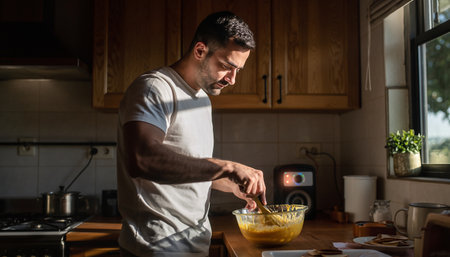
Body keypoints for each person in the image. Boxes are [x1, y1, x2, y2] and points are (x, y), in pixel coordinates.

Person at [117, 11, 267, 257]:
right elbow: (142, 160)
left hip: (192, 244)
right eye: (227, 66)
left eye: (238, 70)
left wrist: (230, 185)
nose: (232, 79)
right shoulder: (154, 88)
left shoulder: (201, 100)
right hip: (154, 247)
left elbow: (187, 167)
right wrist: (227, 167)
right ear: (200, 51)